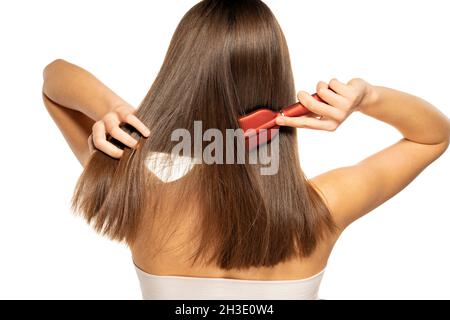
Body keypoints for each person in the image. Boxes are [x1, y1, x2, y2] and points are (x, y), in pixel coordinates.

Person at [42, 0, 450, 300]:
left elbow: (53, 80)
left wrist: (113, 109)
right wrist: (366, 97)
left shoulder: (135, 187)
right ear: (275, 86)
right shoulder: (323, 210)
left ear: (179, 83)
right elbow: (433, 135)